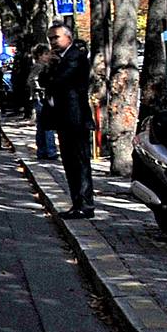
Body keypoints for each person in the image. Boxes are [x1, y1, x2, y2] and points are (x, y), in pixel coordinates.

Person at [40, 24, 96, 217]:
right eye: (50, 39)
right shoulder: (58, 60)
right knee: (70, 164)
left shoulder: (75, 57)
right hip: (64, 119)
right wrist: (48, 65)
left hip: (76, 119)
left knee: (80, 163)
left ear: (68, 38)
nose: (52, 42)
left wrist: (52, 69)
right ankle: (77, 204)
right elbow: (44, 81)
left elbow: (60, 81)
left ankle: (85, 205)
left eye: (56, 38)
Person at [29, 42, 58, 160]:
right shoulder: (40, 66)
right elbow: (32, 80)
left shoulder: (41, 66)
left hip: (39, 98)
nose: (48, 56)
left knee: (41, 126)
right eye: (46, 54)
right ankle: (50, 151)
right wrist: (42, 89)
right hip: (42, 98)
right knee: (48, 125)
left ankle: (42, 151)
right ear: (40, 55)